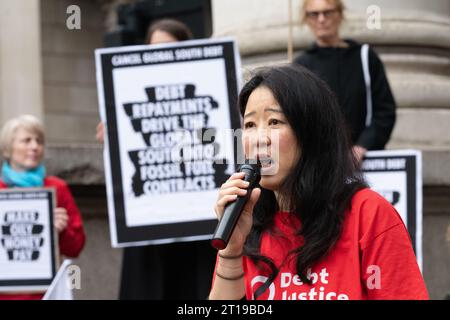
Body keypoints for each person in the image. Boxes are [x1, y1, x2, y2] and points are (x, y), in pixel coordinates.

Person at [208, 64, 428, 300]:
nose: (259, 138)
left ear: (311, 133)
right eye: (250, 125)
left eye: (274, 122)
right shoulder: (245, 223)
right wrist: (230, 252)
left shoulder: (367, 213)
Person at [97, 18, 216, 299]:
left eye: (169, 48)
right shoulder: (131, 91)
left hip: (196, 226)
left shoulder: (207, 88)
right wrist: (115, 138)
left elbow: (218, 146)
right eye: (154, 49)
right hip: (149, 227)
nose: (160, 56)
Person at [293, 0, 396, 162]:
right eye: (314, 14)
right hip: (322, 164)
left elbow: (385, 110)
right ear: (306, 19)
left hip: (365, 162)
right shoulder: (300, 66)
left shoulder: (365, 57)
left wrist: (363, 145)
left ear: (339, 15)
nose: (321, 19)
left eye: (327, 12)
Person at [0, 114, 86, 300]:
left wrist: (60, 231)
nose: (34, 147)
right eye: (26, 140)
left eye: (39, 141)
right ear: (8, 148)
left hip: (47, 293)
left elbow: (76, 247)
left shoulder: (57, 188)